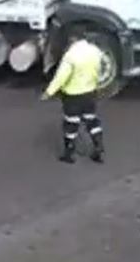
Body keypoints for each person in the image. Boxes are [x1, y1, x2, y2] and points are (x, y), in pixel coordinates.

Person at [41, 32, 106, 164]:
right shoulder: (96, 52)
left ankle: (69, 154)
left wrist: (49, 92)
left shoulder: (71, 56)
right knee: (91, 120)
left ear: (72, 41)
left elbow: (61, 77)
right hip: (90, 92)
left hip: (73, 95)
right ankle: (98, 146)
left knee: (71, 123)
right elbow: (100, 70)